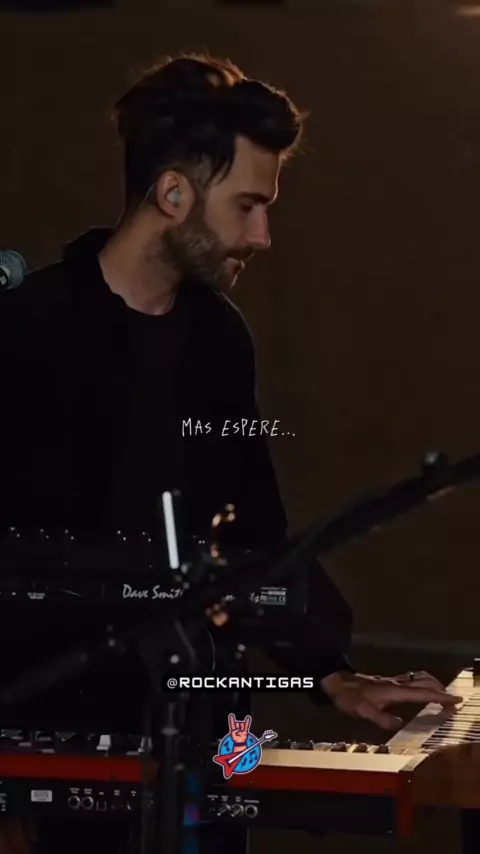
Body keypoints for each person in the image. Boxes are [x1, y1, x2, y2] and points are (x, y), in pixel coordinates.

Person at [0, 54, 460, 853]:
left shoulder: (218, 339)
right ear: (173, 194)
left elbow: (253, 527)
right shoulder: (32, 329)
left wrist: (329, 673)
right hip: (58, 758)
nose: (262, 235)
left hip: (205, 739)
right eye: (248, 205)